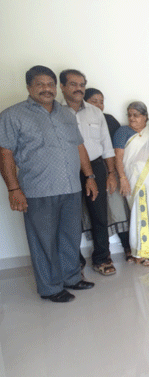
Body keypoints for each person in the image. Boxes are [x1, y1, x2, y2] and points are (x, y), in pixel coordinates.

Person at [0, 65, 97, 302]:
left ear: (56, 87)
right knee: (43, 241)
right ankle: (51, 288)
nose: (46, 89)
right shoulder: (12, 115)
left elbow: (79, 146)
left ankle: (71, 278)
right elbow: (5, 153)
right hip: (38, 190)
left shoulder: (66, 114)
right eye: (40, 84)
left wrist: (90, 177)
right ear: (29, 87)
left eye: (50, 84)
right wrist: (13, 189)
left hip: (71, 188)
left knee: (70, 237)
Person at [60, 69, 118, 276]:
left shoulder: (95, 113)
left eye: (82, 85)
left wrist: (111, 173)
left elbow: (107, 145)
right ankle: (74, 263)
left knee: (99, 215)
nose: (79, 88)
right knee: (70, 218)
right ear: (62, 87)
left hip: (95, 167)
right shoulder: (55, 112)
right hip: (67, 169)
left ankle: (102, 258)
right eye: (73, 84)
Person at [114, 101, 149, 266]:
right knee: (140, 212)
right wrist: (122, 178)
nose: (132, 118)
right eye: (129, 115)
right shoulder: (122, 132)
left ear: (145, 116)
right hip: (135, 178)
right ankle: (141, 253)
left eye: (136, 115)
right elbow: (118, 158)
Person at [84, 88, 132, 261]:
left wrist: (116, 173)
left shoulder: (109, 120)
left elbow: (119, 146)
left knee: (118, 208)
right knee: (96, 213)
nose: (99, 105)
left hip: (110, 170)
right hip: (88, 171)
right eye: (94, 101)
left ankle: (127, 246)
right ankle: (102, 255)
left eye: (101, 102)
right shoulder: (77, 119)